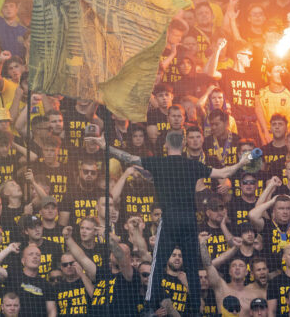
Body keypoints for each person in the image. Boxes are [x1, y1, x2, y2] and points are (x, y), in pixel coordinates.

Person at [107, 131, 253, 315]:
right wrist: (242, 162)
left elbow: (127, 157)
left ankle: (150, 304)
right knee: (192, 267)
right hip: (189, 221)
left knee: (157, 265)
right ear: (183, 145)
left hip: (169, 219)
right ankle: (195, 310)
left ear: (166, 145)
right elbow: (225, 172)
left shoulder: (158, 162)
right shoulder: (192, 164)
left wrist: (105, 146)